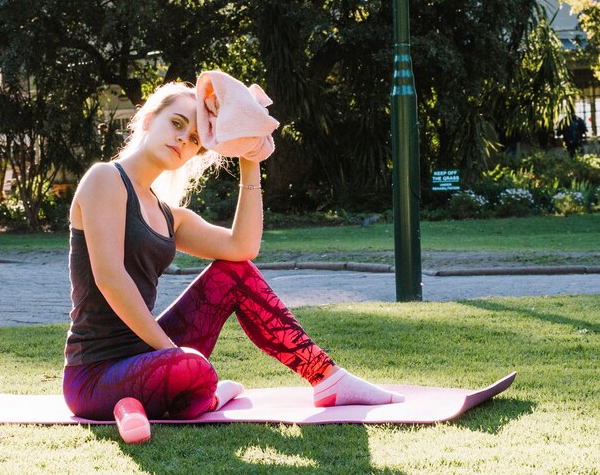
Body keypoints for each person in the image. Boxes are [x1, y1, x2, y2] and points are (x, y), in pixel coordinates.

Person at [63, 80, 403, 421]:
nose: (183, 138)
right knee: (193, 367)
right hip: (94, 375)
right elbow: (110, 278)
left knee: (232, 272)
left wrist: (249, 155)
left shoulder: (170, 216)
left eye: (195, 138)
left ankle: (326, 378)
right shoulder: (105, 179)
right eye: (177, 124)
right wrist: (171, 352)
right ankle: (202, 395)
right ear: (150, 119)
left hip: (148, 356)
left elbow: (243, 247)